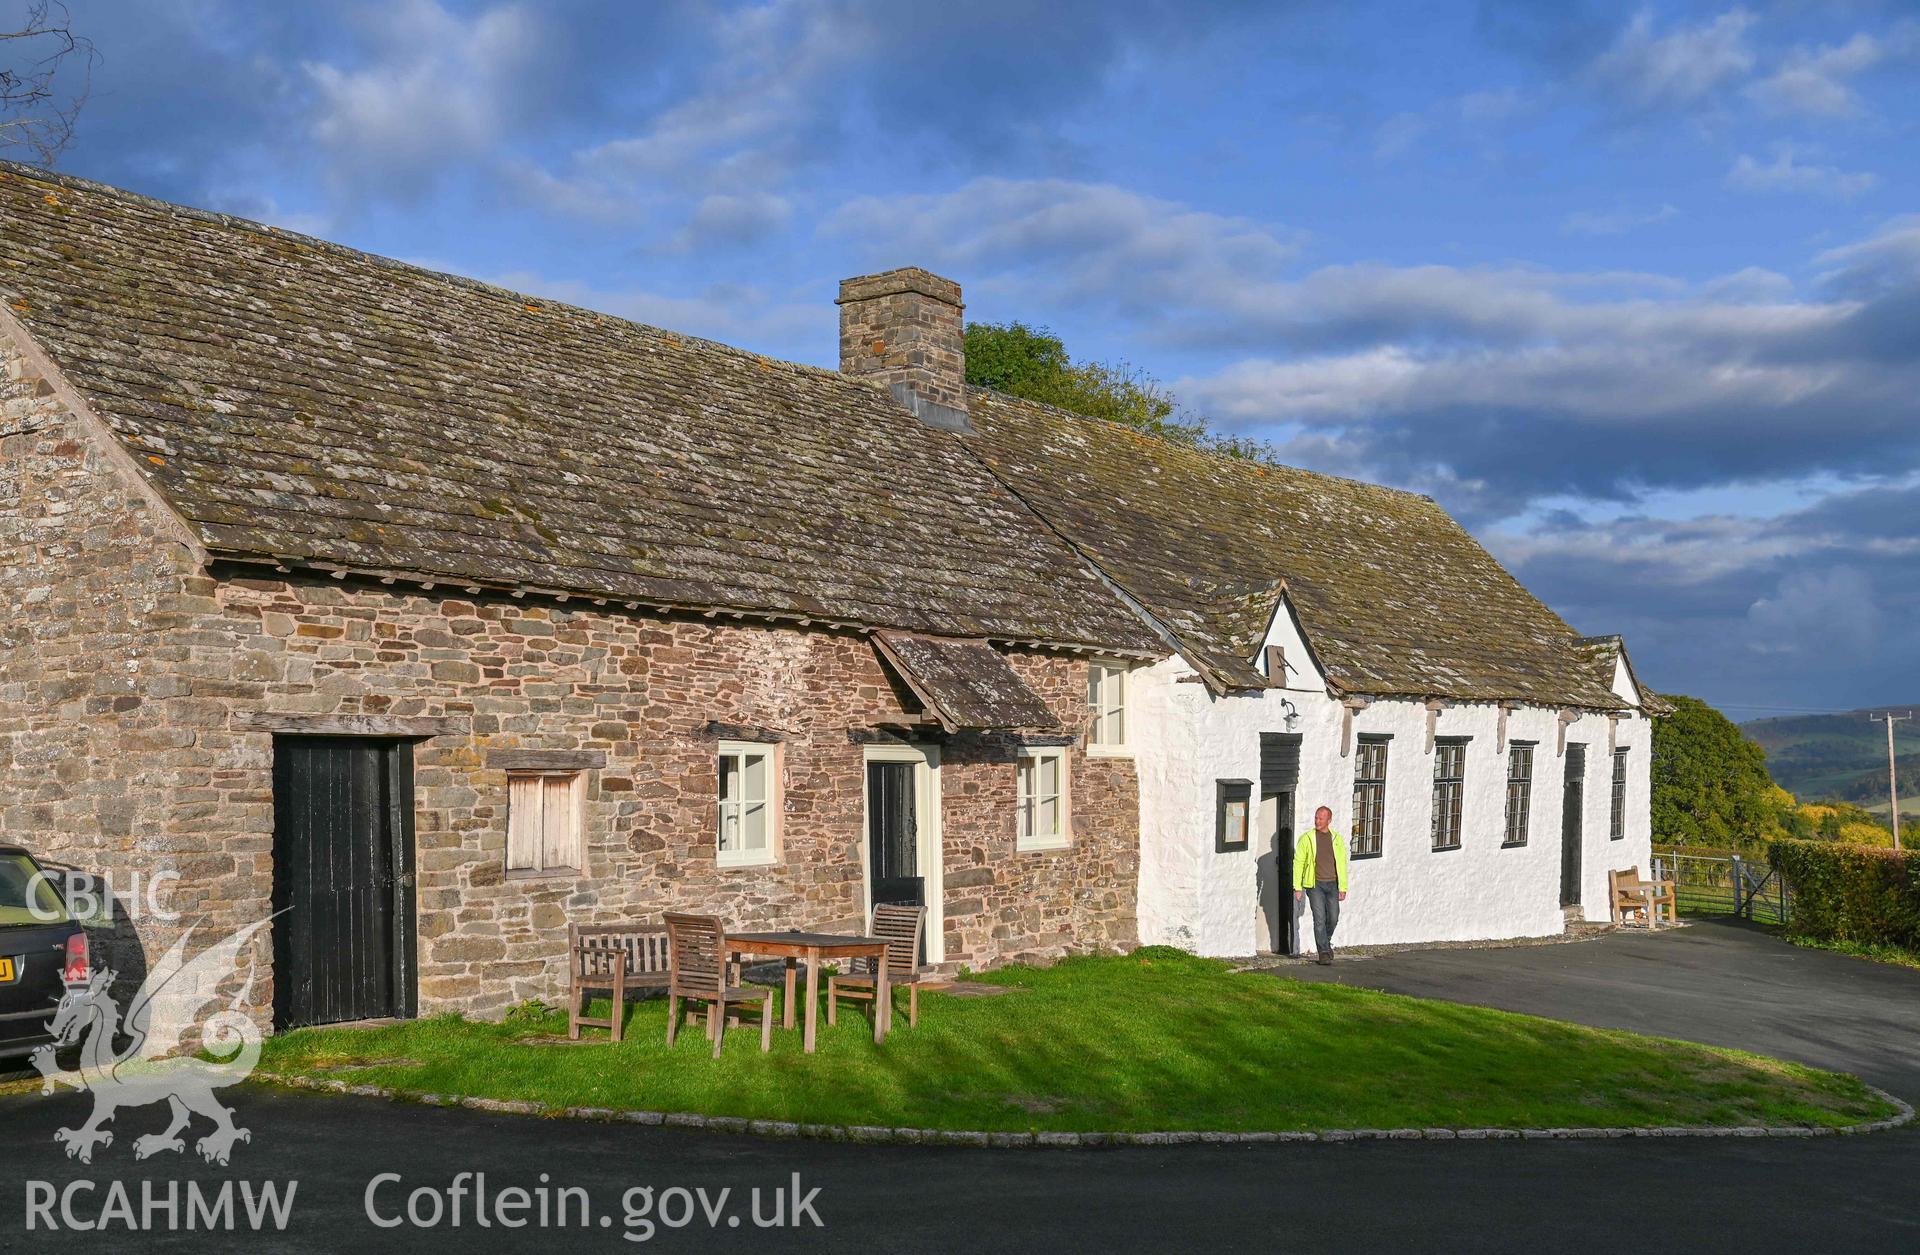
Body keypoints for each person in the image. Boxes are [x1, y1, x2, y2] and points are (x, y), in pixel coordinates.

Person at [1292, 805, 1349, 965]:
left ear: (1328, 821)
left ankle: (1326, 940)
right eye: (1316, 817)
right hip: (1314, 884)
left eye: (1320, 818)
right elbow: (1298, 862)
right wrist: (1298, 887)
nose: (1317, 821)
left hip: (1333, 884)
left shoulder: (1336, 839)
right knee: (1319, 918)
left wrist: (1343, 887)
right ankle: (1323, 952)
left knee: (1333, 917)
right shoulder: (1307, 838)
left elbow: (1342, 864)